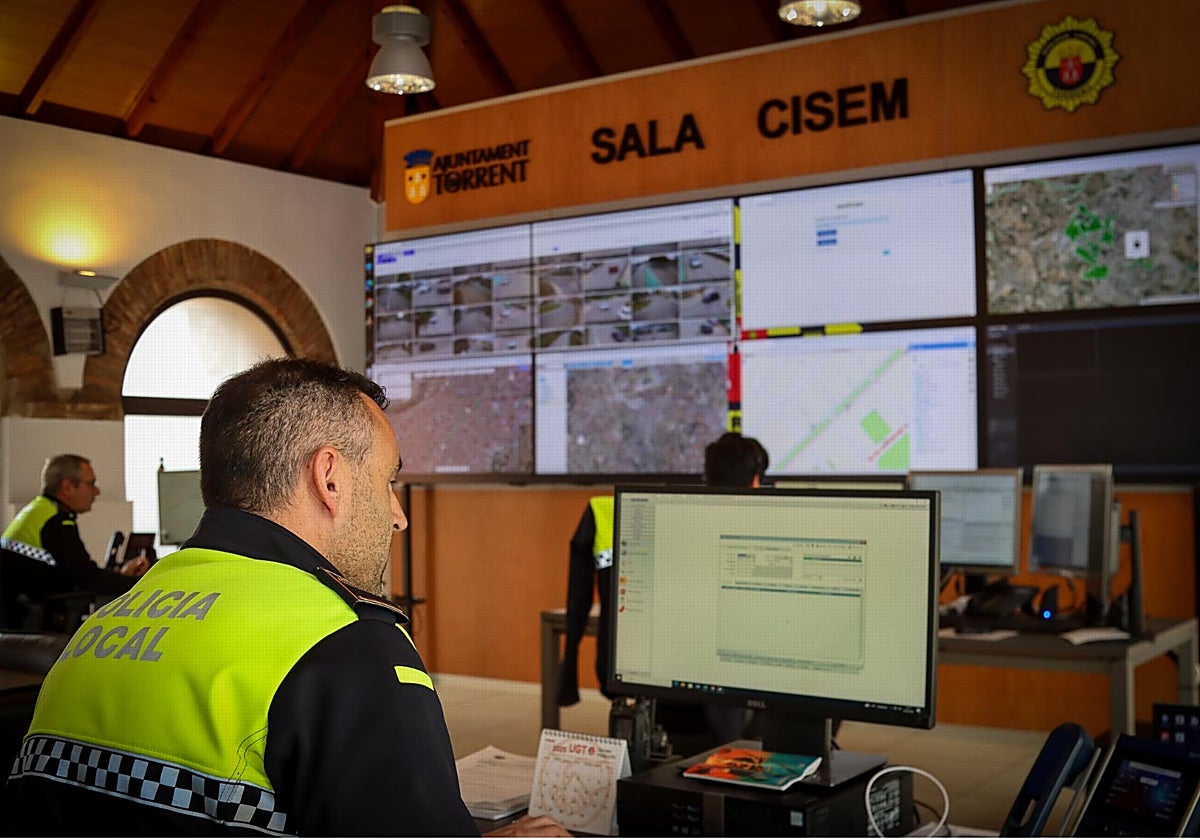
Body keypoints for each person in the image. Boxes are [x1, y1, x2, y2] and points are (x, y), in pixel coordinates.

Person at [1, 359, 566, 837]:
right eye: (387, 481)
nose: (398, 516)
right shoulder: (348, 644)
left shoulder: (104, 626)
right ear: (330, 478)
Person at [557, 431, 769, 757]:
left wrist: (567, 680)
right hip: (718, 686)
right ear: (755, 480)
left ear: (706, 474)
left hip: (637, 674)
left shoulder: (623, 510)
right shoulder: (758, 523)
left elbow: (577, 600)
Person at [0, 455, 149, 630]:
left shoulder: (39, 510)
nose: (97, 491)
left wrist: (118, 573)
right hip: (31, 620)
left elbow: (75, 572)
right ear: (68, 487)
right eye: (91, 484)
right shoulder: (56, 521)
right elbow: (87, 578)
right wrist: (142, 583)